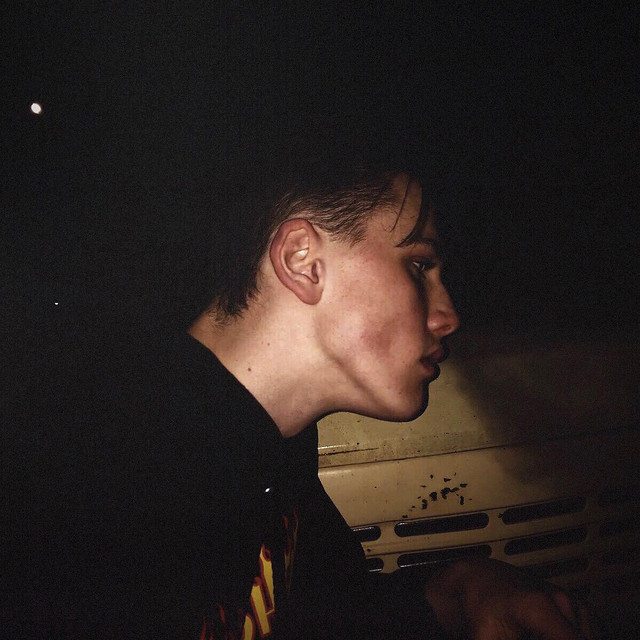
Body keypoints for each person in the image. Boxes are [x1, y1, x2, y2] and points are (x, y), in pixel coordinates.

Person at [5, 152, 596, 639]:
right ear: (302, 261)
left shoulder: (263, 442)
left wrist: (463, 588)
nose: (448, 316)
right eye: (419, 265)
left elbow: (325, 613)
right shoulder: (96, 479)